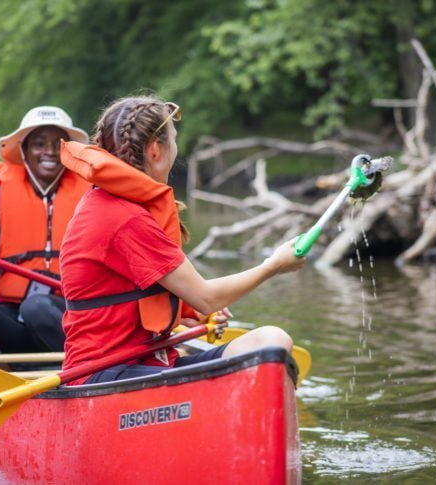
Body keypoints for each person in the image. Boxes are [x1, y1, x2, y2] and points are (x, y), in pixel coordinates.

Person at [59, 95, 305, 385]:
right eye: (173, 140)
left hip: (150, 360)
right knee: (272, 342)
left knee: (269, 341)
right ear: (155, 150)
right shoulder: (125, 217)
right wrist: (273, 266)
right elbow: (207, 297)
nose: (176, 148)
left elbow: (181, 297)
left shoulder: (119, 205)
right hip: (104, 375)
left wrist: (187, 312)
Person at [0, 106, 90, 355]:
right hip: (13, 319)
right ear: (25, 150)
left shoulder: (92, 197)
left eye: (58, 144)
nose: (50, 152)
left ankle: (88, 370)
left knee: (37, 307)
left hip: (72, 318)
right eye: (40, 144)